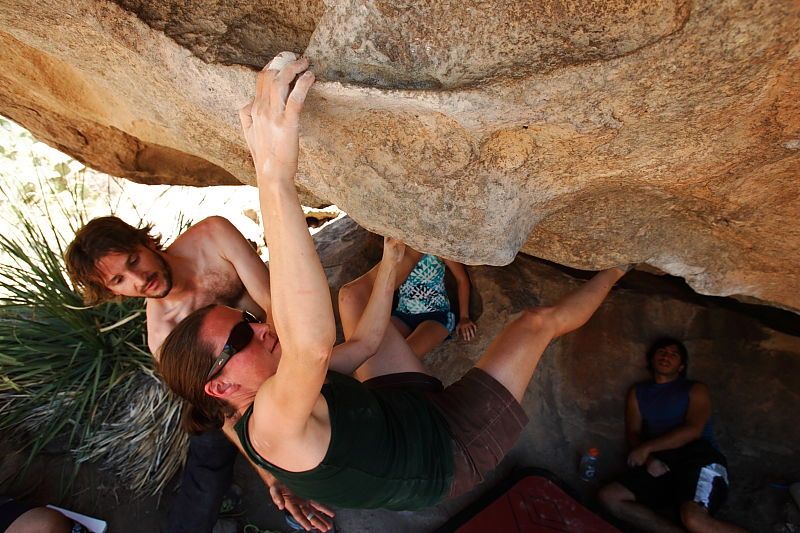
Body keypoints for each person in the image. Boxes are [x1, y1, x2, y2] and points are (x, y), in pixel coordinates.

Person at [156, 51, 627, 513]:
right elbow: (312, 346)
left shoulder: (255, 405)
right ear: (219, 388)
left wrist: (393, 255)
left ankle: (408, 251)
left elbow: (363, 344)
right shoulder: (270, 422)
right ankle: (622, 263)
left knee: (353, 299)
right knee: (533, 324)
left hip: (397, 410)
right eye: (242, 336)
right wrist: (274, 174)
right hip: (448, 451)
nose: (261, 326)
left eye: (247, 318)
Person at [64, 216, 316, 532]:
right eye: (119, 280)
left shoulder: (213, 237)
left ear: (146, 242)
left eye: (133, 260)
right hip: (238, 391)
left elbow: (275, 306)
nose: (138, 279)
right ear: (112, 291)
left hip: (283, 345)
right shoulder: (165, 336)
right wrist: (270, 476)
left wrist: (295, 378)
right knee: (208, 445)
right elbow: (224, 411)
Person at [598, 338, 746, 533]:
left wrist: (647, 449)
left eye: (673, 354)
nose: (666, 356)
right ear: (651, 359)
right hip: (662, 462)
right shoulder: (638, 392)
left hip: (699, 458)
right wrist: (649, 459)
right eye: (662, 352)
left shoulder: (695, 389)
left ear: (681, 366)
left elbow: (693, 430)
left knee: (694, 520)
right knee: (610, 497)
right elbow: (633, 433)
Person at [390, 251, 477, 358]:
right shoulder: (400, 249)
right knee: (377, 349)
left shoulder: (439, 249)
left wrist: (464, 317)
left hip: (437, 316)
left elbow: (462, 279)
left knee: (405, 356)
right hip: (402, 314)